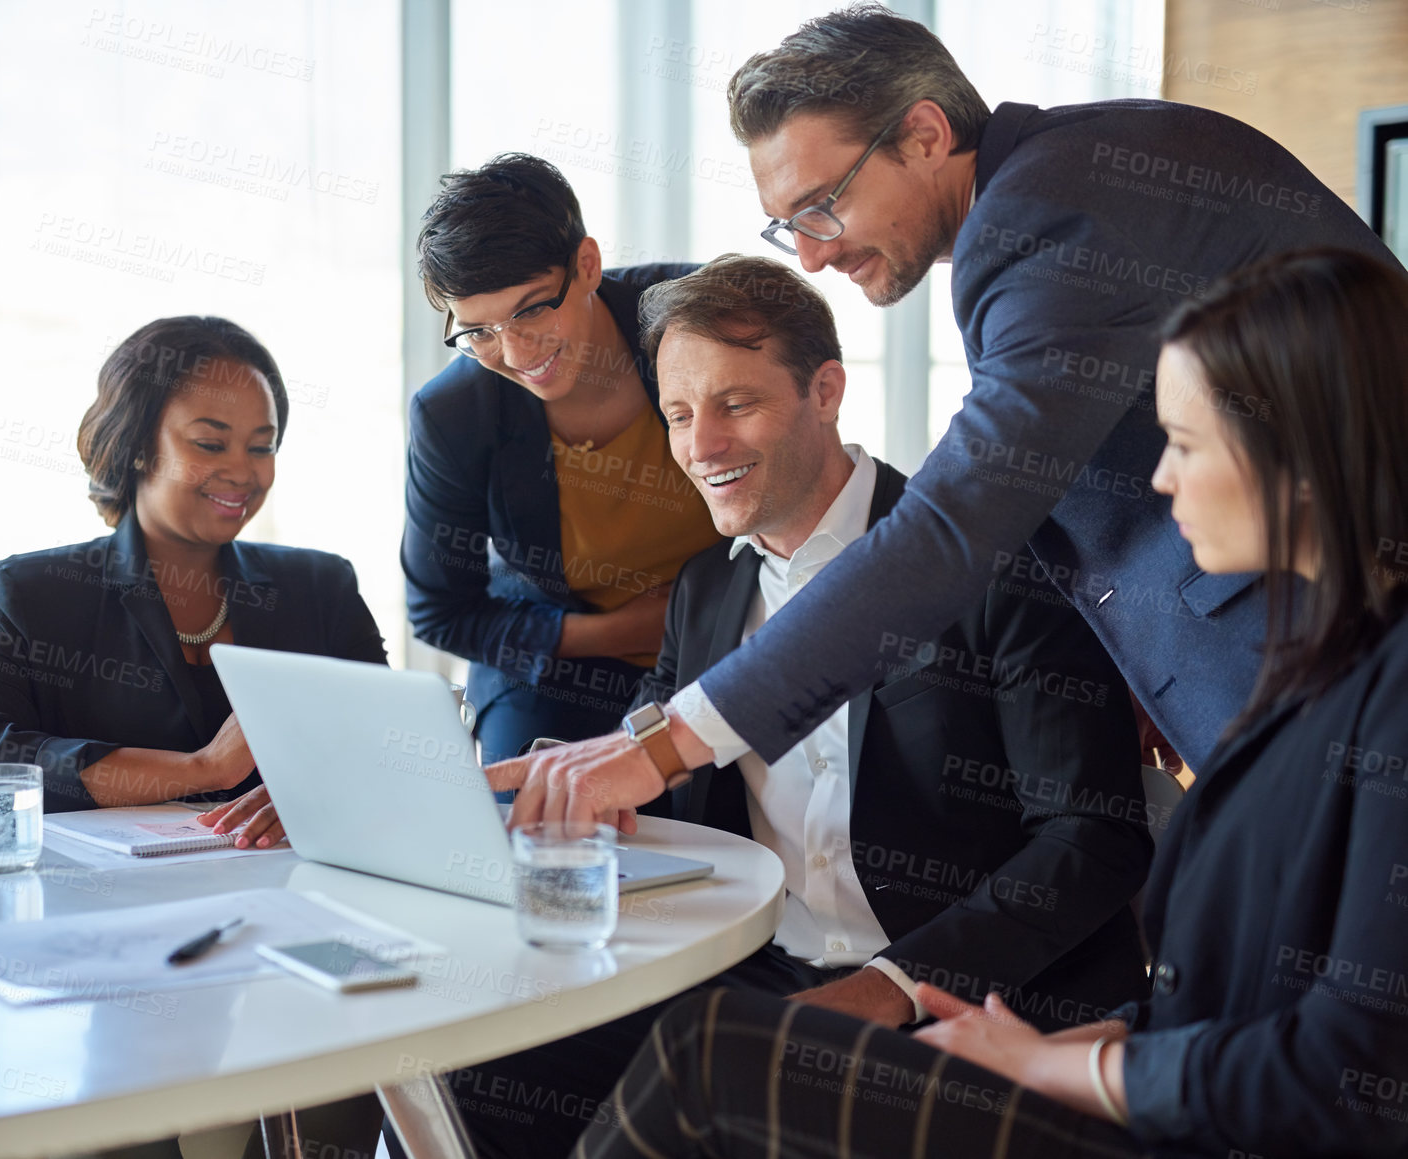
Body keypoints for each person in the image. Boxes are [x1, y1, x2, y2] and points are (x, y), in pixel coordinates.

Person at [488, 2, 1404, 833]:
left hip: (1343, 630)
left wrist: (665, 742)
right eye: (786, 225)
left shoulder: (1047, 217)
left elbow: (960, 520)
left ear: (923, 134)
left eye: (821, 205)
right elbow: (1074, 467)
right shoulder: (1058, 182)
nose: (809, 255)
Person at [574, 247, 1408, 1159]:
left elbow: (1338, 1065)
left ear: (1302, 452)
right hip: (1108, 1064)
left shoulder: (1370, 694)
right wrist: (1063, 1052)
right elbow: (1216, 1002)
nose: (1160, 481)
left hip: (1137, 1098)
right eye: (680, 414)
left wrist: (1048, 1059)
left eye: (1186, 443)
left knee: (708, 1060)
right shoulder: (1301, 669)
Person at [444, 255, 1154, 1159]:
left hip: (971, 1004)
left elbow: (1091, 840)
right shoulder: (705, 590)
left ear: (826, 390)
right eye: (677, 414)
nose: (700, 446)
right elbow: (646, 760)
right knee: (485, 1062)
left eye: (735, 404)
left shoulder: (989, 565)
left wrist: (886, 986)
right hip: (760, 982)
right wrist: (489, 793)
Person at [0, 315, 387, 846]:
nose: (243, 471)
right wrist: (203, 768)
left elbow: (392, 750)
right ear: (139, 447)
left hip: (291, 892)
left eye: (261, 447)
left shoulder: (321, 588)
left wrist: (324, 795)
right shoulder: (34, 592)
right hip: (99, 909)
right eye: (211, 445)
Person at [401, 153, 722, 762]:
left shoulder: (700, 320)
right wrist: (623, 631)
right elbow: (442, 612)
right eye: (478, 331)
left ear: (587, 265)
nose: (516, 351)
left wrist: (695, 621)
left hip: (729, 642)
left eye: (531, 309)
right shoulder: (453, 413)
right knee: (531, 827)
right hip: (558, 664)